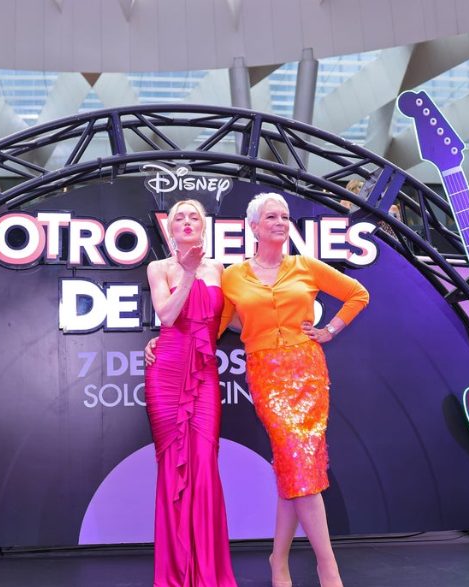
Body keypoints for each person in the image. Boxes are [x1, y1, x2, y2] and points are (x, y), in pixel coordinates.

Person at [146, 193, 369, 587]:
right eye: (271, 217)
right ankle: (328, 569)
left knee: (294, 468)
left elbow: (358, 294)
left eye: (284, 216)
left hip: (308, 373)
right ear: (254, 226)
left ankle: (279, 561)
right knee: (296, 463)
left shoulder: (305, 266)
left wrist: (330, 330)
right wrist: (166, 343)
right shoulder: (234, 276)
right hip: (266, 376)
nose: (280, 222)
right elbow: (209, 326)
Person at [144, 199, 238, 587]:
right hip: (166, 375)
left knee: (204, 466)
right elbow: (167, 315)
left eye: (193, 217)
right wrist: (185, 273)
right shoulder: (159, 268)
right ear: (170, 229)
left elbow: (228, 319)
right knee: (172, 470)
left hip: (203, 375)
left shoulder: (219, 269)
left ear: (203, 226)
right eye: (179, 217)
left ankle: (208, 573)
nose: (186, 222)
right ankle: (175, 575)